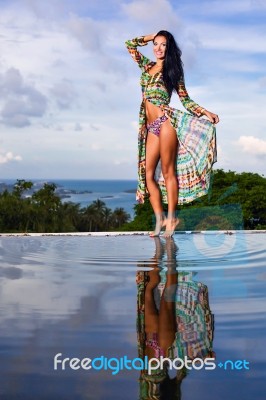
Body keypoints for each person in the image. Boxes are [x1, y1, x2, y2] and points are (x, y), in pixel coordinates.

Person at [125, 31, 219, 237]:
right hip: (150, 128)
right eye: (156, 44)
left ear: (169, 48)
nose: (158, 48)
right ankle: (160, 219)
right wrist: (152, 36)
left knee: (168, 172)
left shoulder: (173, 71)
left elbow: (186, 100)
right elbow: (129, 45)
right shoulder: (147, 66)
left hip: (165, 123)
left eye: (163, 45)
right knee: (147, 175)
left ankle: (172, 218)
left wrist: (205, 112)